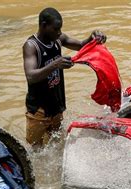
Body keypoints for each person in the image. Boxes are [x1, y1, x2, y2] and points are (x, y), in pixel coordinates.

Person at [23, 7, 107, 148]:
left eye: (60, 29)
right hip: (38, 110)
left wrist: (92, 38)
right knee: (36, 151)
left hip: (57, 105)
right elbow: (31, 76)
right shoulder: (31, 46)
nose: (59, 32)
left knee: (57, 145)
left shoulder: (58, 39)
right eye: (56, 29)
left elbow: (81, 45)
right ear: (44, 26)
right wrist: (55, 64)